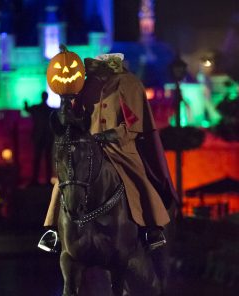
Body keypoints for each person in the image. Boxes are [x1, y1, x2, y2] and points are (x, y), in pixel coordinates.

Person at [38, 54, 178, 253]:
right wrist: (66, 108)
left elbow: (134, 125)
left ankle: (151, 228)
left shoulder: (130, 84)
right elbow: (77, 119)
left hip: (121, 147)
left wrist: (109, 135)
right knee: (66, 179)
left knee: (137, 179)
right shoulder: (86, 85)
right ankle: (52, 229)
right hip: (89, 147)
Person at [24, 91, 55, 185]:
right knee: (46, 159)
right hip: (46, 137)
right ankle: (46, 180)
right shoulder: (50, 110)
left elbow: (27, 109)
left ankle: (35, 179)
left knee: (38, 159)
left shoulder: (37, 108)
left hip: (39, 136)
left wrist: (25, 104)